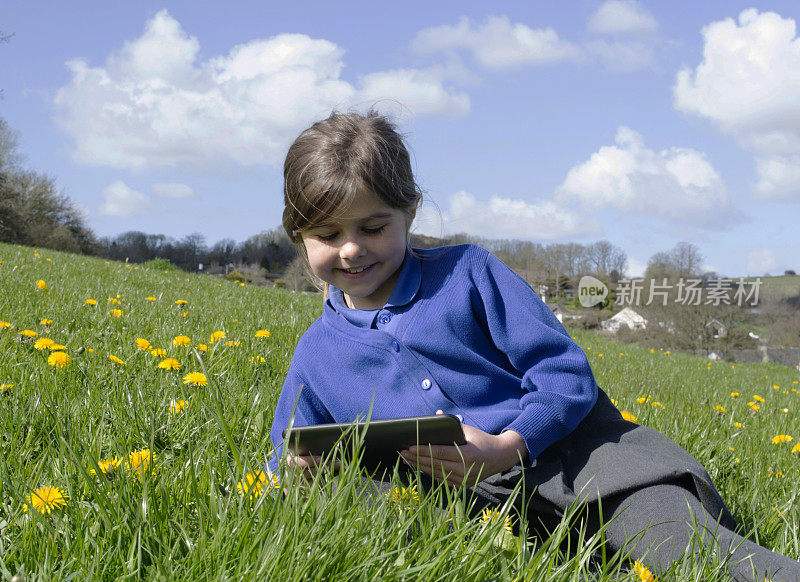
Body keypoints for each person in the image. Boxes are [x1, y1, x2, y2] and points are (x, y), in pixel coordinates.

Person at [268, 110, 800, 581]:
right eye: (327, 235)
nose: (352, 248)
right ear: (299, 237)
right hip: (462, 509)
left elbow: (566, 377)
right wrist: (298, 473)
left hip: (581, 464)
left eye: (373, 226)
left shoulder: (468, 275)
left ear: (411, 210)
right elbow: (287, 450)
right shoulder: (316, 354)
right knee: (378, 508)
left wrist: (509, 447)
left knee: (688, 550)